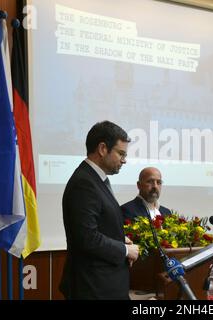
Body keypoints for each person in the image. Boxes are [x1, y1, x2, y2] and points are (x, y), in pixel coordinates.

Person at [60, 120, 139, 300]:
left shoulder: (95, 179)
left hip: (102, 286)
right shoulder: (84, 183)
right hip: (94, 289)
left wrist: (120, 239)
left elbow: (98, 225)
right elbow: (86, 238)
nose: (124, 160)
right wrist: (125, 250)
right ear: (103, 149)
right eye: (121, 153)